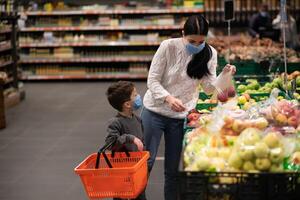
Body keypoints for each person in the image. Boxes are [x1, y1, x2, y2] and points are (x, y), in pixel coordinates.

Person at [141, 15, 236, 200]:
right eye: (192, 41)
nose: (196, 45)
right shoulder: (168, 47)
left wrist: (224, 75)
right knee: (146, 162)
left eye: (201, 41)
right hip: (155, 111)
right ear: (182, 33)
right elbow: (152, 81)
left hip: (182, 116)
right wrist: (168, 98)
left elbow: (209, 89)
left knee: (173, 169)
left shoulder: (210, 53)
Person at [105, 81, 146, 200]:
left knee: (140, 195)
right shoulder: (115, 122)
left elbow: (142, 141)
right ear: (127, 104)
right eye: (135, 95)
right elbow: (111, 142)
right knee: (121, 196)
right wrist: (129, 138)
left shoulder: (138, 120)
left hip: (136, 169)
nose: (138, 96)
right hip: (121, 171)